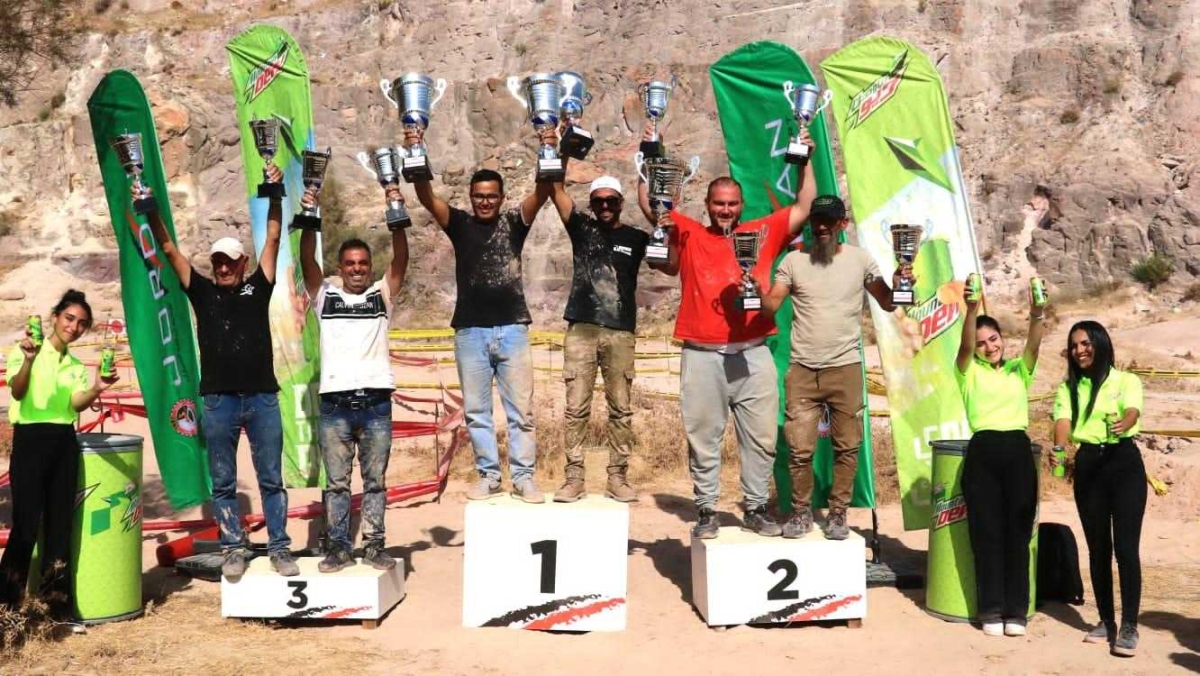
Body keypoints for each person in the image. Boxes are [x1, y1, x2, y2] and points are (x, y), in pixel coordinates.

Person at [637, 125, 816, 539]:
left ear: (742, 205)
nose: (726, 210)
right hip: (702, 355)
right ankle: (706, 510)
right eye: (719, 204)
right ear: (707, 205)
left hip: (753, 353)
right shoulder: (689, 232)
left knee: (761, 438)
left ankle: (755, 507)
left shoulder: (764, 232)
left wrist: (804, 161)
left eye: (732, 204)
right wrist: (647, 159)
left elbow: (805, 205)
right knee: (703, 437)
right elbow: (651, 204)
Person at [141, 169, 298, 578]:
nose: (223, 268)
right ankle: (232, 548)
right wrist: (150, 207)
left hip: (261, 398)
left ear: (243, 263)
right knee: (223, 482)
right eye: (217, 262)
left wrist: (276, 194)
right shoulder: (202, 291)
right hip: (218, 401)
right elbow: (169, 248)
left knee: (271, 479)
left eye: (229, 261)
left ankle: (280, 548)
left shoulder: (258, 286)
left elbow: (273, 239)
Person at [405, 127, 553, 503]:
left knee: (521, 411)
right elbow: (425, 196)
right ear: (470, 198)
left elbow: (542, 192)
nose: (485, 202)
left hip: (513, 328)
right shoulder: (459, 224)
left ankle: (523, 477)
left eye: (491, 196)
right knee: (476, 411)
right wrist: (416, 148)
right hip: (470, 331)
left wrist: (549, 148)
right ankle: (489, 476)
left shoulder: (515, 223)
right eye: (478, 196)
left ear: (502, 198)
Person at [759, 195, 915, 540]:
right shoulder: (793, 260)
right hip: (802, 370)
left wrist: (902, 284)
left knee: (847, 447)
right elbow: (771, 305)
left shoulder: (860, 260)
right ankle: (800, 513)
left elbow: (888, 302)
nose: (822, 227)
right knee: (799, 449)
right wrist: (750, 291)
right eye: (817, 220)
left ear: (843, 224)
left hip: (846, 369)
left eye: (830, 221)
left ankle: (838, 514)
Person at [298, 184, 407, 573]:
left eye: (363, 263)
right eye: (350, 264)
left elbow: (401, 258)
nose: (357, 269)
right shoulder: (325, 295)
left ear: (370, 266)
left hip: (376, 403)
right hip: (336, 404)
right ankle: (339, 547)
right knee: (337, 483)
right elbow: (306, 259)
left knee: (375, 481)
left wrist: (395, 208)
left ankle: (375, 545)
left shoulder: (381, 295)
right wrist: (310, 213)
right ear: (340, 267)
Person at [0, 291, 117, 613]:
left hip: (64, 441)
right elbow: (18, 391)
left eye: (81, 323)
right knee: (26, 525)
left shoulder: (76, 365)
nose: (74, 327)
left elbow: (75, 404)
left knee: (60, 527)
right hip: (30, 439)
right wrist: (29, 360)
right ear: (55, 317)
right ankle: (6, 607)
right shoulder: (25, 350)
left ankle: (55, 608)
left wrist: (97, 387)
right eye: (69, 318)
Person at [949, 282, 1046, 637]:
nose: (989, 347)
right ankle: (990, 609)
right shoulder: (967, 371)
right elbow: (963, 348)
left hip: (1018, 452)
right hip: (983, 453)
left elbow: (1034, 344)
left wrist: (1037, 313)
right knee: (986, 533)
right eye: (982, 343)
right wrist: (971, 310)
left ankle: (1016, 611)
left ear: (1003, 339)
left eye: (994, 339)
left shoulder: (1019, 370)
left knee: (1017, 534)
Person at [547, 171, 649, 503]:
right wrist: (557, 150)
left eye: (611, 201)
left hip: (621, 332)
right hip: (582, 329)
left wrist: (665, 223)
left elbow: (671, 266)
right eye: (598, 201)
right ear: (591, 205)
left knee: (621, 409)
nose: (605, 206)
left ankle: (617, 478)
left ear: (621, 203)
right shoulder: (582, 229)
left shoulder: (637, 238)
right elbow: (556, 190)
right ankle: (574, 478)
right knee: (576, 408)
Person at [1052, 321, 1145, 657]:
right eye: (1074, 345)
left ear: (1101, 343)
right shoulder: (1068, 389)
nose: (1080, 351)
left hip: (1124, 463)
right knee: (1098, 548)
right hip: (1089, 464)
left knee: (1126, 548)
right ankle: (1106, 620)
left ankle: (1130, 625)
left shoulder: (1127, 380)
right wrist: (1059, 448)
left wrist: (1125, 422)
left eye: (1086, 343)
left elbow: (1133, 410)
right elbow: (1063, 421)